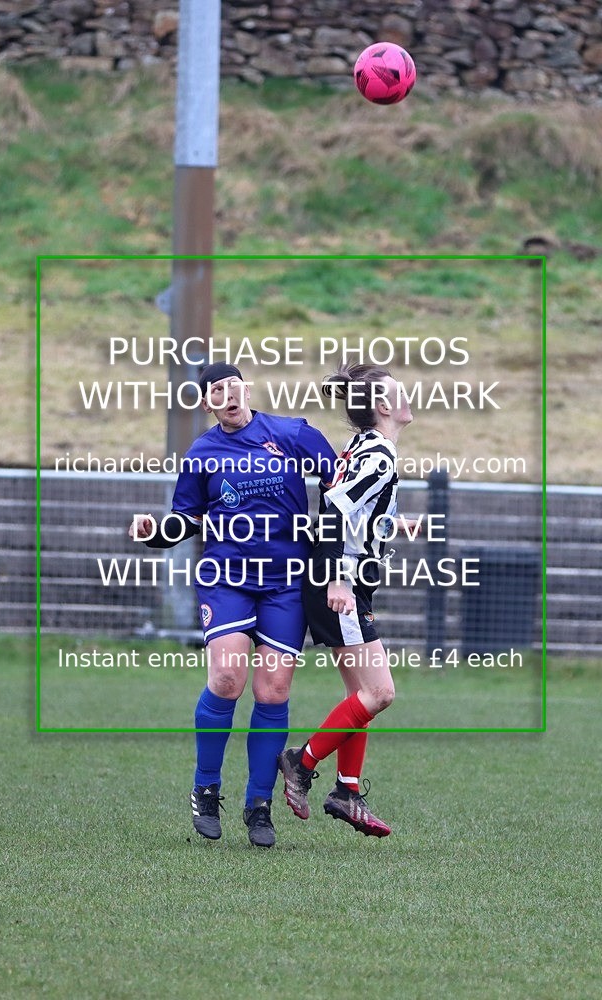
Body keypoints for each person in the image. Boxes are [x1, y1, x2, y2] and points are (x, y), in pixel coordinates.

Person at [130, 362, 336, 848]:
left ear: (246, 389)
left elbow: (341, 485)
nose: (226, 395)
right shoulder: (202, 453)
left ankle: (259, 804)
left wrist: (336, 543)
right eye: (215, 391)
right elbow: (185, 518)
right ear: (207, 404)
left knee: (272, 691)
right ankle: (205, 788)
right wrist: (154, 532)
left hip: (286, 583)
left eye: (231, 386)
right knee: (226, 678)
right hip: (227, 579)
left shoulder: (292, 434)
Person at [278, 362, 416, 838]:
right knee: (380, 693)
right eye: (399, 391)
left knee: (360, 695)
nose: (407, 396)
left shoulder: (365, 446)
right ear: (382, 406)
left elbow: (348, 503)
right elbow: (336, 510)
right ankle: (302, 762)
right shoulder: (379, 455)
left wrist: (391, 523)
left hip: (342, 578)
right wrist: (338, 579)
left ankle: (347, 791)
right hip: (342, 583)